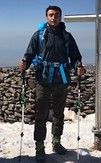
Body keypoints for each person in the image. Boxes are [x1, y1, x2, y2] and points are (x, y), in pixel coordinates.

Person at [19, 5, 85, 162]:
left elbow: (76, 57)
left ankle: (56, 141)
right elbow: (30, 53)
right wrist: (24, 62)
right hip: (43, 79)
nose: (53, 17)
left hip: (61, 80)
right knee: (41, 114)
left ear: (60, 17)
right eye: (50, 15)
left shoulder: (67, 37)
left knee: (58, 113)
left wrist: (79, 67)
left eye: (56, 15)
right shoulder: (39, 35)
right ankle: (40, 146)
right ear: (46, 17)